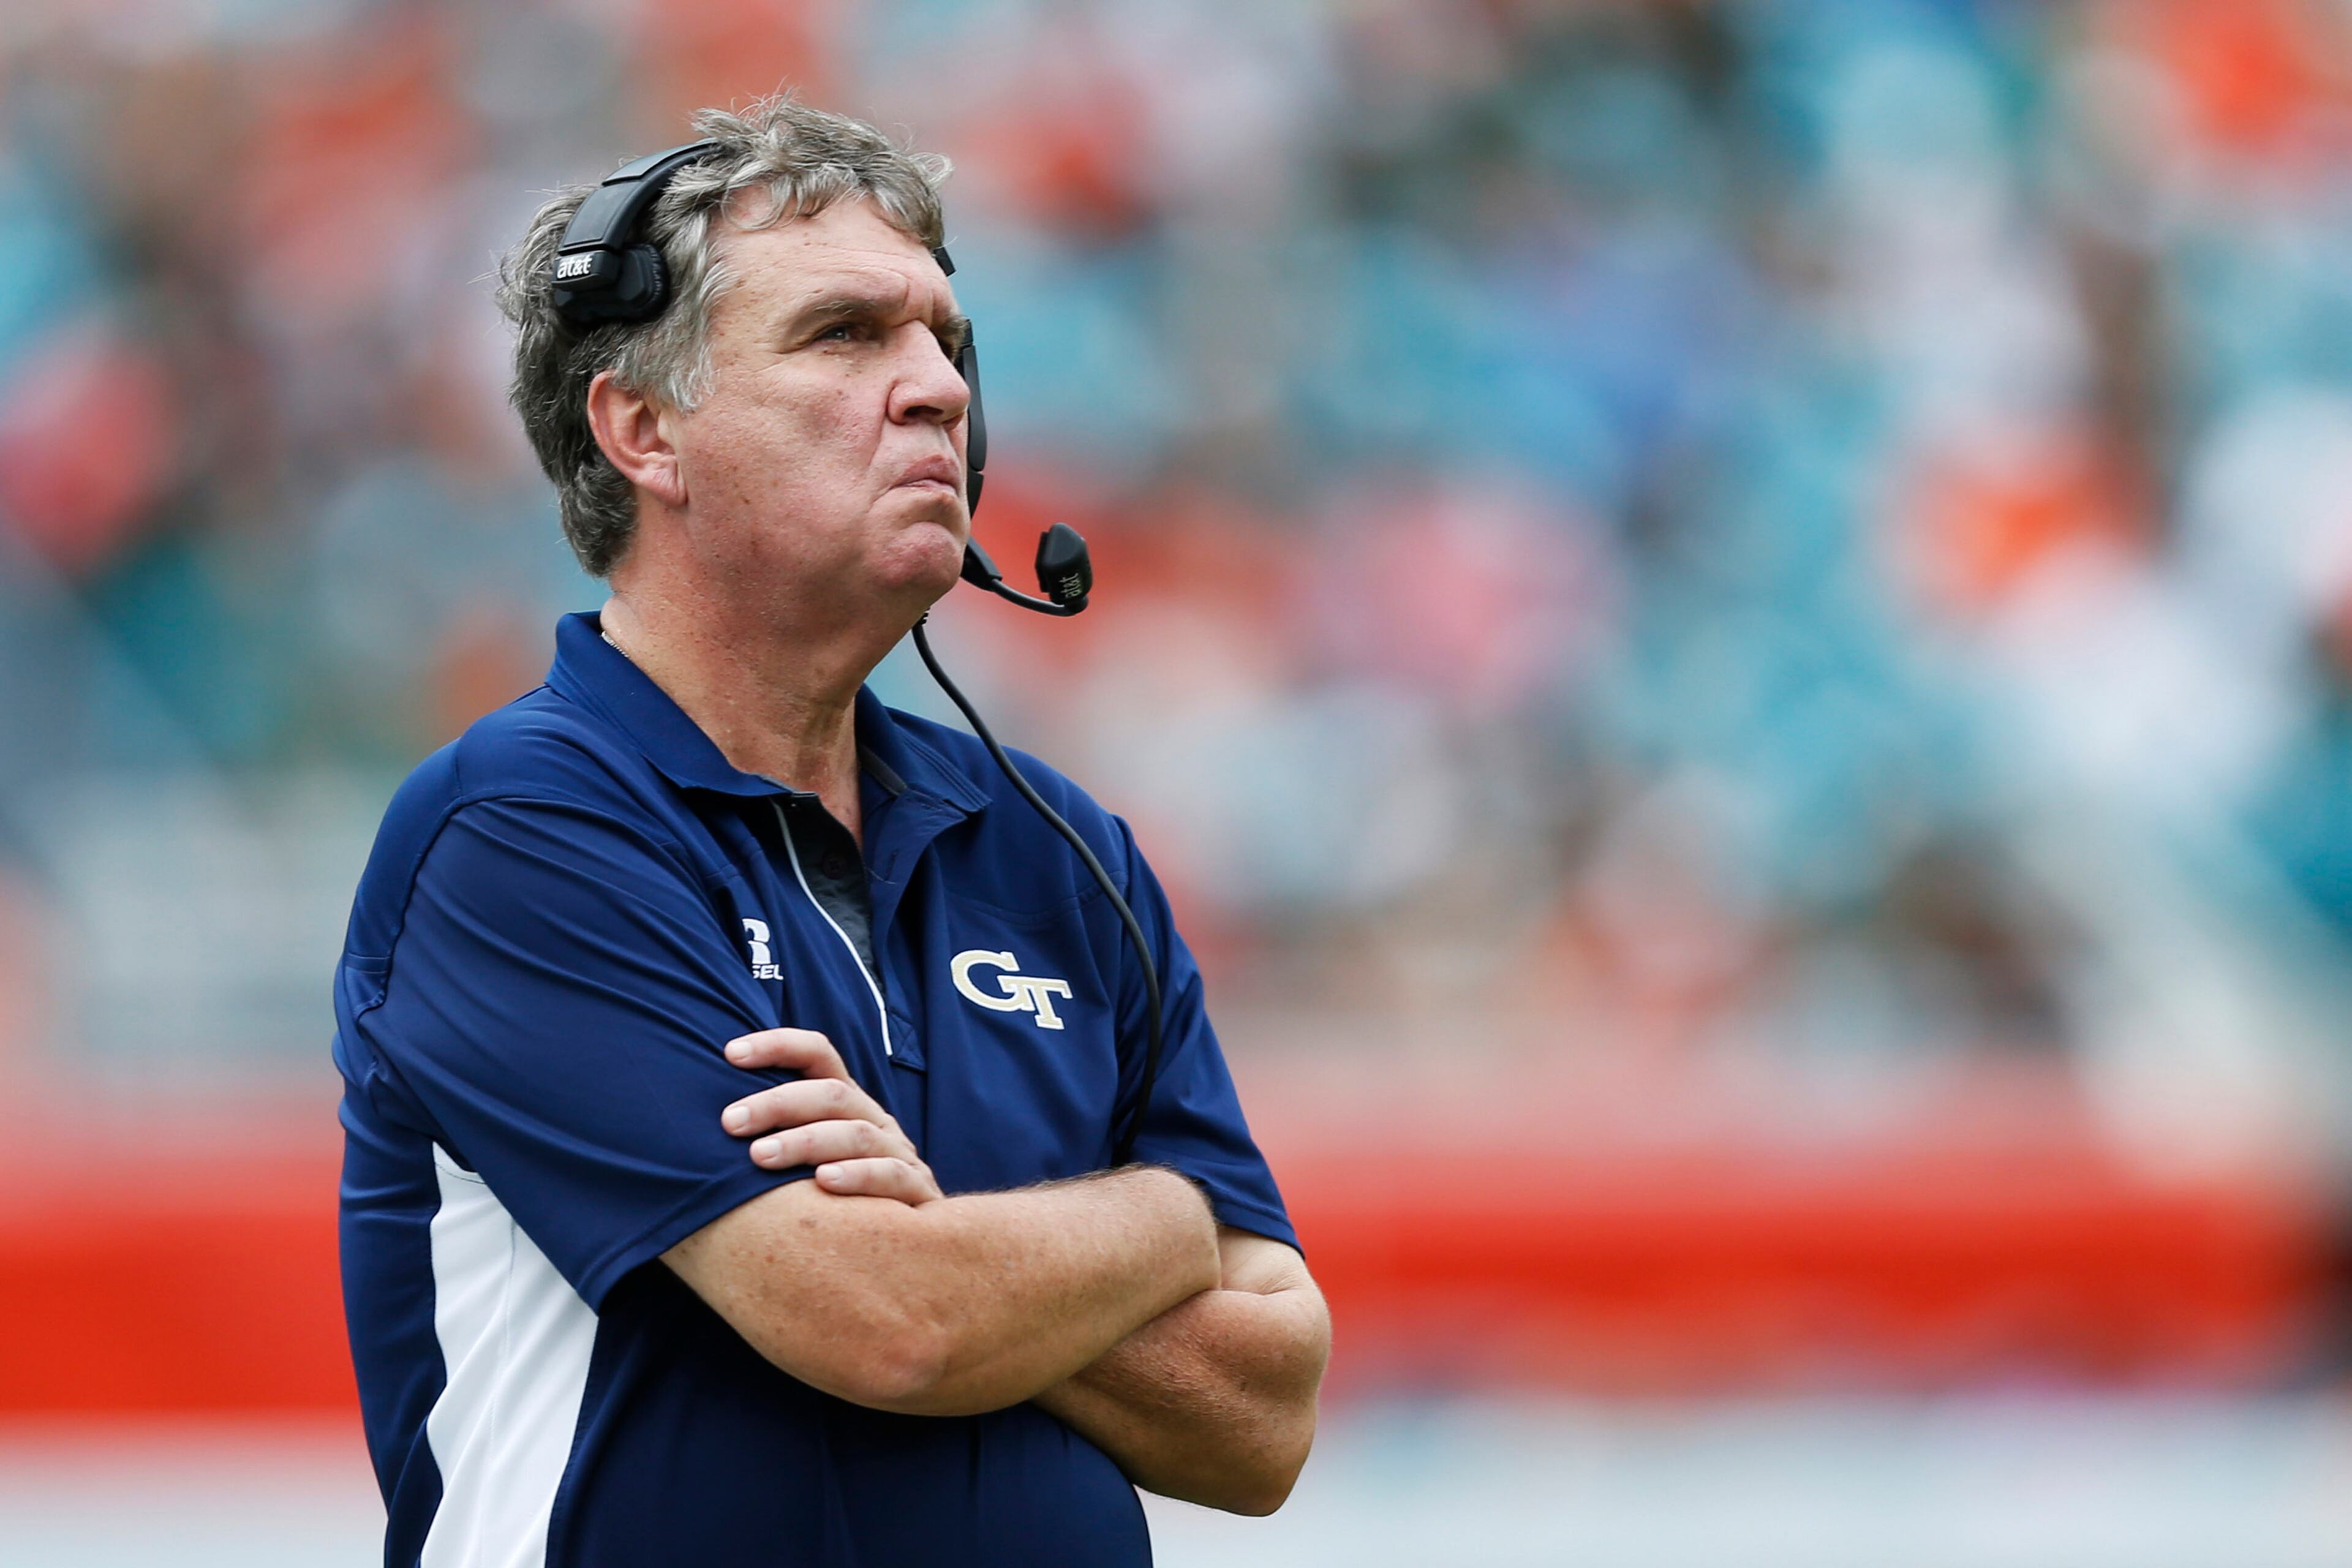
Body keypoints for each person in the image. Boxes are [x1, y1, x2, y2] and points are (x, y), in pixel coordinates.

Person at [331, 96, 1330, 1567]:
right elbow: (890, 1321)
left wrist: (946, 1226)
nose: (936, 389)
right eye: (846, 335)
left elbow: (1265, 1425)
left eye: (946, 340)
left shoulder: (1062, 846)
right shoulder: (515, 830)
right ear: (643, 428)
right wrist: (1172, 1223)